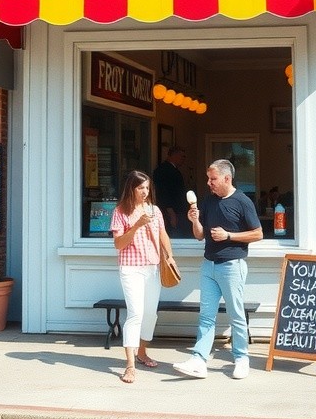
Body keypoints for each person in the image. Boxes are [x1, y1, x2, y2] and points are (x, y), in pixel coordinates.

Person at [173, 158, 263, 380]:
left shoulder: (242, 201)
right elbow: (199, 235)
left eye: (212, 179)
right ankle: (199, 360)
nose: (209, 183)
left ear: (226, 178)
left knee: (236, 315)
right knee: (206, 316)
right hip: (209, 265)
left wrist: (229, 235)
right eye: (208, 178)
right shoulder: (209, 201)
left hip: (232, 265)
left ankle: (241, 358)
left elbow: (258, 233)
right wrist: (195, 220)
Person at [110, 170, 174, 384]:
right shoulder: (120, 211)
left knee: (149, 314)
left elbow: (163, 234)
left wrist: (170, 256)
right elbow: (118, 244)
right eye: (140, 188)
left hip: (152, 267)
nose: (145, 192)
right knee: (135, 314)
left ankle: (142, 352)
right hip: (131, 267)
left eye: (147, 188)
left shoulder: (154, 210)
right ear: (131, 189)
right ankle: (130, 365)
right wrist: (137, 225)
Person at [152, 146, 191, 237]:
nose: (183, 159)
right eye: (182, 156)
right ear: (174, 155)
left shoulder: (173, 170)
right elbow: (162, 192)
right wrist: (170, 212)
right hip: (171, 212)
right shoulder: (163, 170)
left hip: (178, 211)